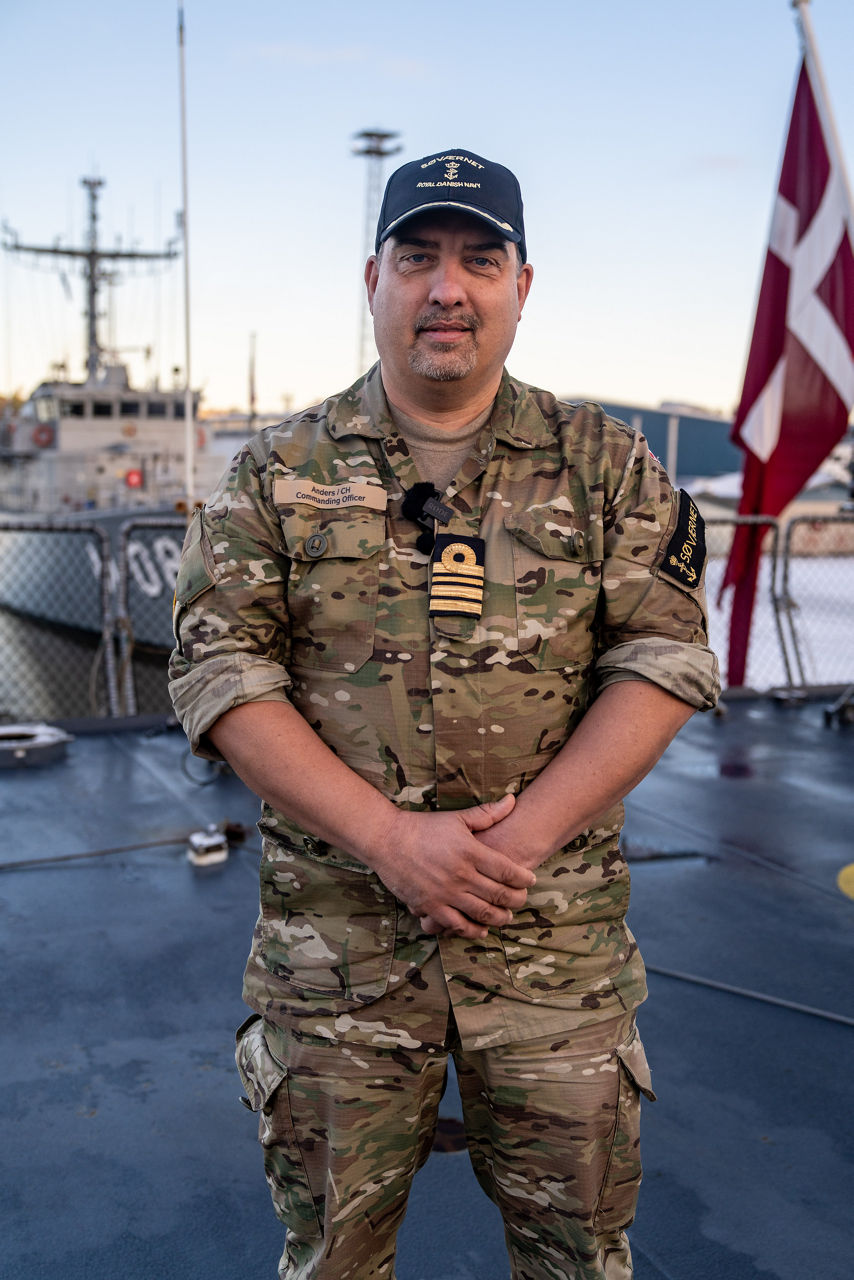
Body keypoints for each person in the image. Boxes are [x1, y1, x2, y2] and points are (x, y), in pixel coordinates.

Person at [169, 147, 719, 1280]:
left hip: (551, 963)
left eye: (479, 257)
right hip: (336, 973)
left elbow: (661, 656)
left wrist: (508, 844)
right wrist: (390, 841)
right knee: (333, 1260)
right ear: (371, 277)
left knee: (576, 1259)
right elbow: (222, 675)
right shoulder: (274, 473)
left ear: (523, 284)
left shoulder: (604, 462)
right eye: (417, 256)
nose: (446, 286)